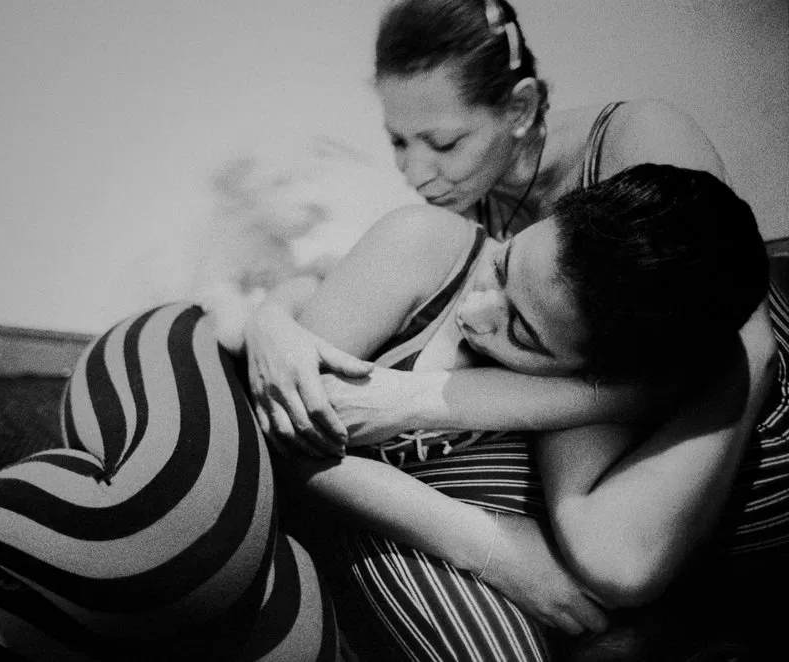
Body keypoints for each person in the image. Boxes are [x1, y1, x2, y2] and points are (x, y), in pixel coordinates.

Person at [0, 164, 777, 662]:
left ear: (600, 375)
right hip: (190, 372)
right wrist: (485, 545)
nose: (484, 310)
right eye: (509, 267)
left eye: (521, 327)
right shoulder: (431, 246)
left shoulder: (601, 414)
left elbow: (616, 569)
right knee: (167, 542)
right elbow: (275, 426)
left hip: (261, 516)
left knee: (257, 644)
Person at [242, 0, 783, 657]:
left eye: (444, 143)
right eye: (399, 142)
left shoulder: (637, 146)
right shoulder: (474, 217)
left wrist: (419, 400)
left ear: (521, 109)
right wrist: (271, 319)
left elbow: (744, 351)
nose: (414, 174)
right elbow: (338, 282)